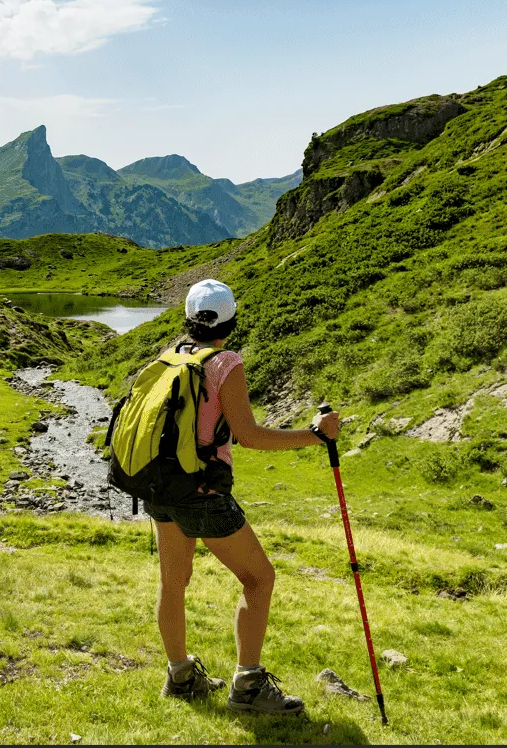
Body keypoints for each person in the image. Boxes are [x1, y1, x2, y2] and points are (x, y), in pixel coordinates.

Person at [149, 279, 340, 714]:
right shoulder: (225, 362)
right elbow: (249, 436)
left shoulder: (172, 355)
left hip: (161, 485)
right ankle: (248, 686)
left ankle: (180, 676)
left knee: (173, 582)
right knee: (259, 578)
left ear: (189, 318)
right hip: (202, 489)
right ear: (231, 320)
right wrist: (314, 435)